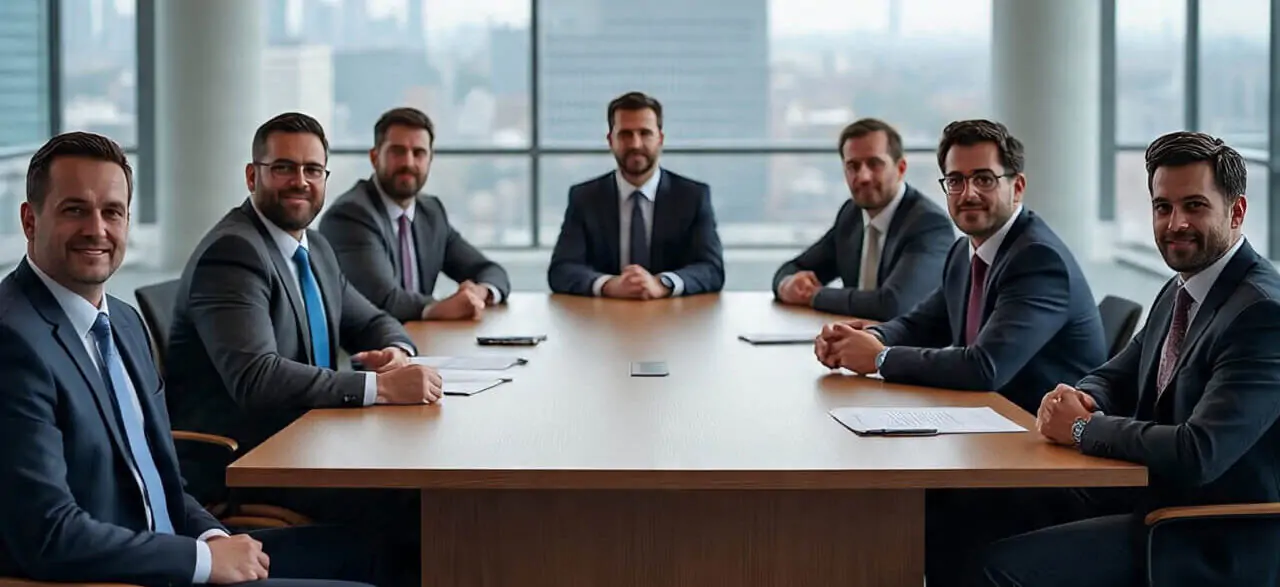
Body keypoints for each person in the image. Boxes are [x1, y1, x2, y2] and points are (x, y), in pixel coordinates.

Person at [0, 132, 379, 586]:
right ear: (29, 220)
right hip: (123, 574)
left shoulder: (122, 321)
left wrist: (213, 538)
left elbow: (161, 481)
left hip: (176, 547)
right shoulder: (13, 341)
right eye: (74, 210)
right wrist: (200, 562)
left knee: (391, 549)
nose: (97, 230)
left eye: (112, 212)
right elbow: (48, 535)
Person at [978, 132, 1280, 586]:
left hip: (1206, 535)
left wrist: (1082, 428)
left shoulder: (1261, 313)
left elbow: (1198, 452)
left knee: (995, 567)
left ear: (1236, 211)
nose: (1175, 223)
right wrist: (1080, 396)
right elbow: (1118, 371)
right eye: (1163, 207)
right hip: (1146, 499)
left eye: (1194, 206)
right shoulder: (1184, 286)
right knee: (964, 508)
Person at [166, 112, 439, 585]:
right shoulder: (233, 254)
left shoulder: (311, 248)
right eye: (284, 168)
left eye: (313, 170)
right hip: (250, 458)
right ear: (253, 175)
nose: (301, 182)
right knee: (417, 504)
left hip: (308, 441)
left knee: (422, 494)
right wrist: (381, 387)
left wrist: (395, 349)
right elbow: (258, 378)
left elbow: (373, 320)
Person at [813, 119, 1106, 415]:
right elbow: (924, 323)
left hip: (1039, 436)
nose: (968, 194)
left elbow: (984, 367)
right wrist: (867, 339)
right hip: (987, 421)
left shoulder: (1038, 260)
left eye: (984, 179)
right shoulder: (965, 250)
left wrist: (880, 359)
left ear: (1017, 187)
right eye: (955, 180)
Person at [319, 107, 510, 322]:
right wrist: (442, 307)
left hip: (423, 343)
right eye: (397, 152)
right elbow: (384, 300)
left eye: (418, 153)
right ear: (374, 157)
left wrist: (480, 293)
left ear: (430, 159)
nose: (408, 163)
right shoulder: (350, 216)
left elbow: (490, 271)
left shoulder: (431, 212)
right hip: (370, 352)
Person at [547, 91, 725, 298]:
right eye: (625, 134)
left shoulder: (693, 196)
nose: (635, 144)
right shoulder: (584, 197)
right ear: (610, 140)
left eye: (645, 133)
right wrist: (609, 285)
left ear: (660, 138)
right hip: (603, 319)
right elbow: (562, 270)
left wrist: (662, 283)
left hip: (673, 318)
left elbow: (711, 269)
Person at [773, 118, 953, 319]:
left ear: (901, 168)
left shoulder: (929, 225)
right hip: (853, 341)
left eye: (874, 164)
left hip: (906, 348)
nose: (863, 176)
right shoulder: (851, 215)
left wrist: (813, 295)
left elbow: (893, 305)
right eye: (853, 166)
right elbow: (795, 268)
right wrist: (786, 285)